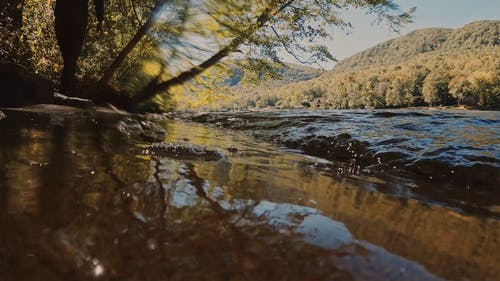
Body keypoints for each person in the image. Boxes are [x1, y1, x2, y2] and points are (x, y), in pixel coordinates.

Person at [54, 0, 104, 95]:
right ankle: (64, 91)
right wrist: (100, 20)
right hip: (76, 20)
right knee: (71, 58)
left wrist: (100, 19)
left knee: (69, 58)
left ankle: (63, 91)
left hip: (62, 17)